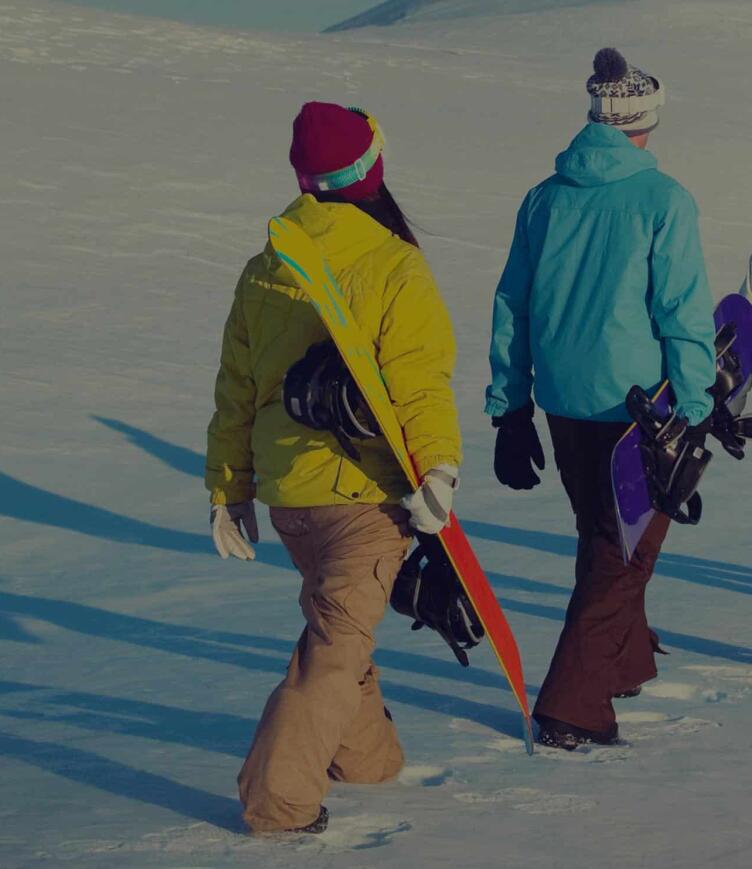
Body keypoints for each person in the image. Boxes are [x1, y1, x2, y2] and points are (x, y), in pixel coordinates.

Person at [205, 101, 462, 834]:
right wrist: (438, 466)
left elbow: (237, 389)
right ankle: (278, 800)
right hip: (363, 496)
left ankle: (368, 758)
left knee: (343, 623)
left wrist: (230, 490)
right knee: (334, 644)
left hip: (292, 499)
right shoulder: (392, 263)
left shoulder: (267, 266)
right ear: (372, 172)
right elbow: (418, 377)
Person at [485, 49, 716, 751]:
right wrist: (698, 404)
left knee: (604, 535)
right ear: (644, 122)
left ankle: (625, 659)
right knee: (622, 555)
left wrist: (512, 406)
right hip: (640, 409)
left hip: (563, 404)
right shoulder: (663, 199)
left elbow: (513, 306)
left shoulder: (545, 197)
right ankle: (571, 705)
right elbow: (683, 311)